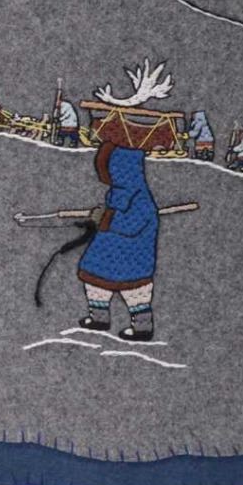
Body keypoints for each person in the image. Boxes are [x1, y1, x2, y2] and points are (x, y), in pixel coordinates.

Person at [76, 142, 161, 341]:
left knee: (136, 292)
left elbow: (134, 223)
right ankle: (99, 317)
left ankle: (142, 327)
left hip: (133, 253)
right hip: (106, 249)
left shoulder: (140, 196)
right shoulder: (116, 192)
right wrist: (102, 215)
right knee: (95, 280)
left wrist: (107, 218)